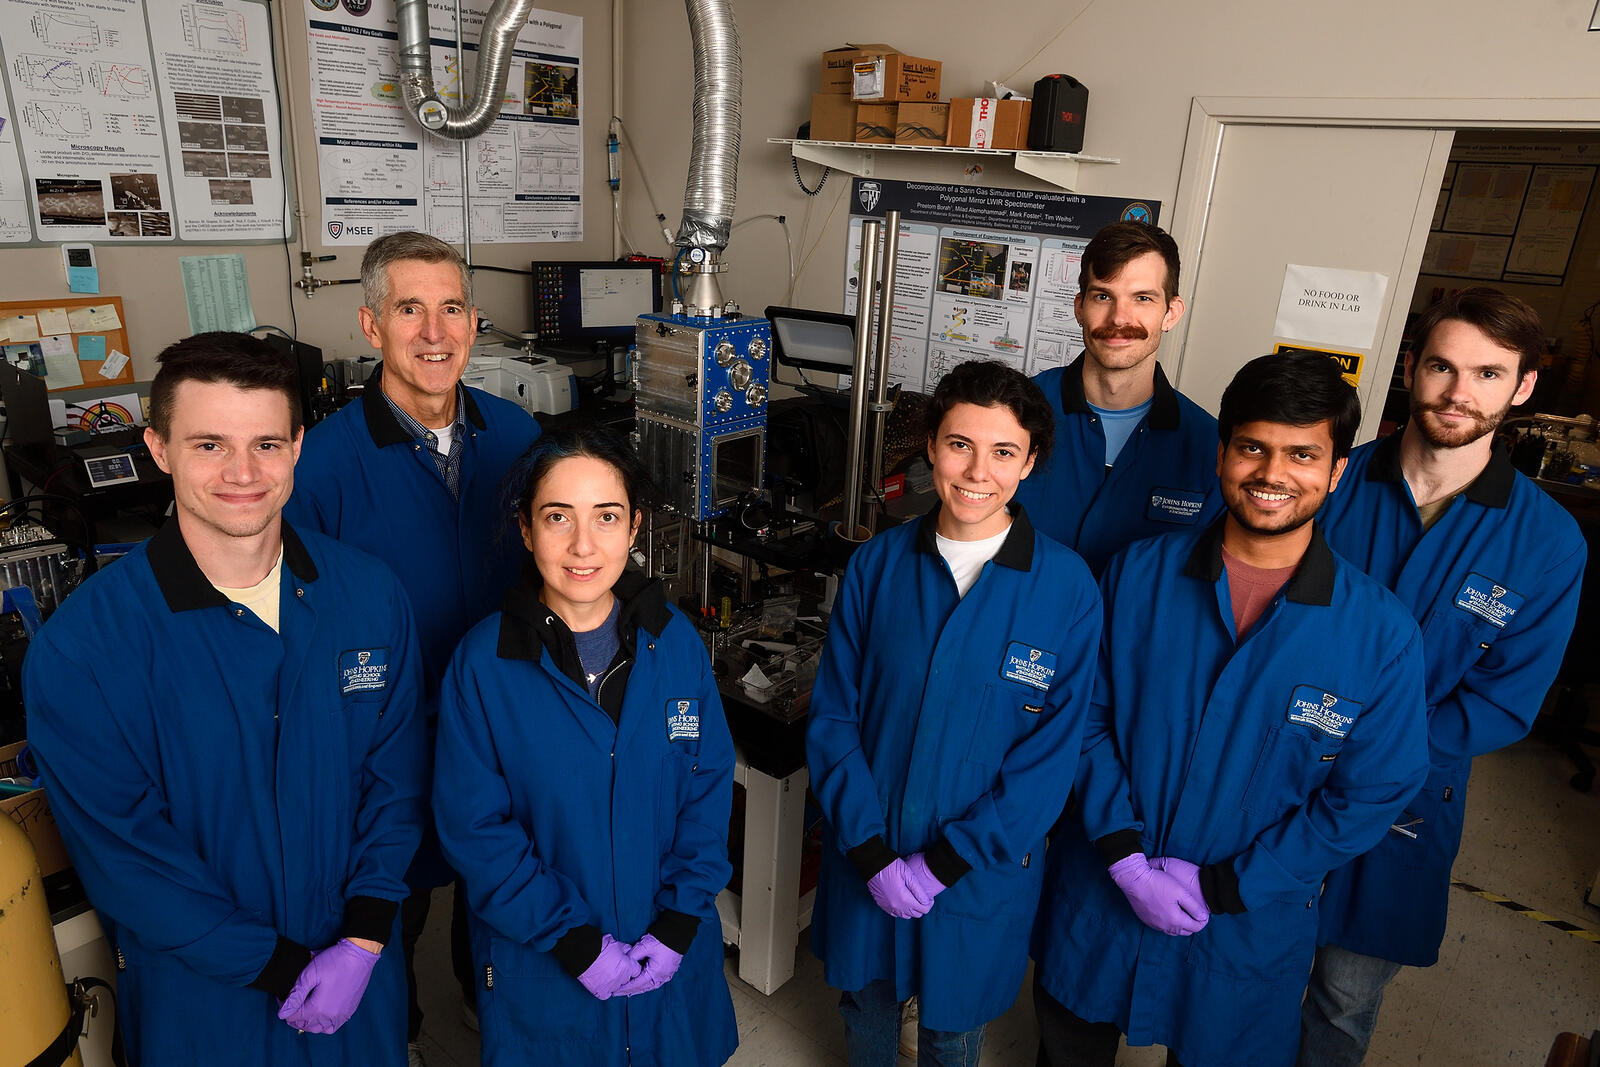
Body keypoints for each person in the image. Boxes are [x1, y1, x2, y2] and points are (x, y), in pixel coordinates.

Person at [23, 332, 425, 1065]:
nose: (244, 472)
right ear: (159, 448)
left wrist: (364, 940)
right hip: (204, 1004)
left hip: (358, 985)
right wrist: (282, 969)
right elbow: (127, 857)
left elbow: (395, 786)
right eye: (209, 444)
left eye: (267, 443)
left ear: (299, 444)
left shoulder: (370, 598)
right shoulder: (85, 648)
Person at [1032, 351, 1430, 1067]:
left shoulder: (1381, 634)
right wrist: (1123, 856)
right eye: (1253, 446)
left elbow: (1373, 790)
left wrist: (1227, 882)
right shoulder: (1136, 573)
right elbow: (1082, 718)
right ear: (1221, 454)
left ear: (1337, 471)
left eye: (1303, 454)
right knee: (1067, 1047)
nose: (1272, 473)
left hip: (1248, 918)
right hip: (1103, 885)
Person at [1298, 289, 1586, 1066]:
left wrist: (1376, 748)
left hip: (1411, 795)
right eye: (1443, 367)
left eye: (1488, 374)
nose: (1460, 393)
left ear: (1523, 387)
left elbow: (1504, 701)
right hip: (1278, 768)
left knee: (1343, 997)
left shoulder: (1548, 543)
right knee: (1240, 964)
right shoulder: (1328, 481)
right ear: (1412, 369)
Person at [284, 230, 541, 1060]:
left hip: (501, 729)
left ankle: (478, 989)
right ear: (370, 325)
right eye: (409, 309)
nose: (435, 331)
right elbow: (299, 628)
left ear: (474, 321)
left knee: (492, 880)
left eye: (452, 307)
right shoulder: (318, 466)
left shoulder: (516, 435)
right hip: (385, 745)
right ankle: (400, 1030)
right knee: (388, 901)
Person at [806, 359, 1102, 1066]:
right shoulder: (878, 565)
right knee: (868, 1008)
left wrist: (942, 863)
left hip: (977, 871)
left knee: (953, 1028)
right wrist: (873, 853)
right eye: (959, 443)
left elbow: (1049, 760)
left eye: (1004, 451)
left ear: (1030, 463)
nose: (977, 470)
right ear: (932, 447)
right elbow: (833, 718)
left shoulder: (1067, 590)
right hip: (866, 854)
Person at [432, 425, 738, 1066]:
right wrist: (574, 942)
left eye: (606, 517)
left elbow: (708, 789)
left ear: (634, 528)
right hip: (546, 966)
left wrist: (680, 920)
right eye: (556, 517)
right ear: (525, 529)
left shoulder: (675, 642)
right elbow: (476, 832)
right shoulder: (484, 666)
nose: (582, 545)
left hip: (671, 952)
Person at [1013, 220, 1222, 575]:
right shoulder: (1014, 412)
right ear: (1079, 308)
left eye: (1142, 298)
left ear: (1170, 313)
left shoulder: (1210, 446)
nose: (1119, 318)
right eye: (1103, 296)